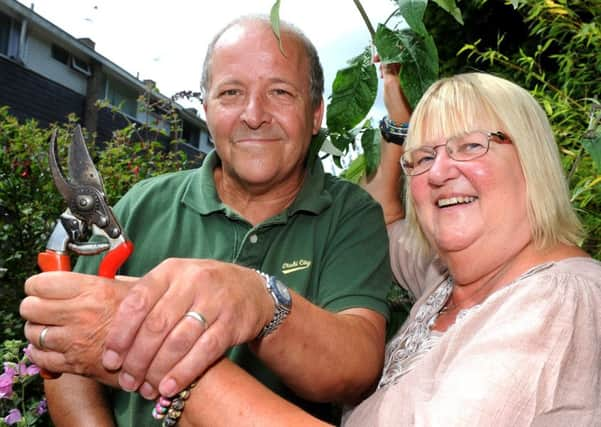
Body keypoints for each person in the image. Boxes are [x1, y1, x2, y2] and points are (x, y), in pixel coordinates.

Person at [23, 38, 601, 427]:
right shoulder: (448, 276)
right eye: (424, 158)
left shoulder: (558, 308)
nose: (440, 171)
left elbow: (352, 356)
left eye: (473, 145)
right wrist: (399, 128)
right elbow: (395, 213)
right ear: (205, 105)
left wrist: (181, 349)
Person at [20, 15, 394, 426]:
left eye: (280, 92)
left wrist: (261, 301)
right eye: (231, 92)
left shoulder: (350, 215)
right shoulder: (143, 204)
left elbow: (356, 369)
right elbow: (66, 354)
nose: (254, 114)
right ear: (207, 108)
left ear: (316, 112)